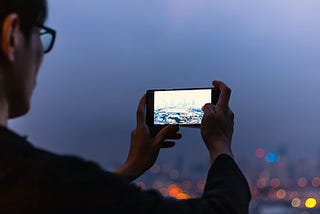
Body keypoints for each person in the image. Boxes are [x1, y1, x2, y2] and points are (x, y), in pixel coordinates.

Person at [0, 0, 251, 213]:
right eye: (40, 36)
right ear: (12, 37)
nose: (42, 54)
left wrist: (131, 167)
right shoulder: (35, 179)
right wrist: (220, 145)